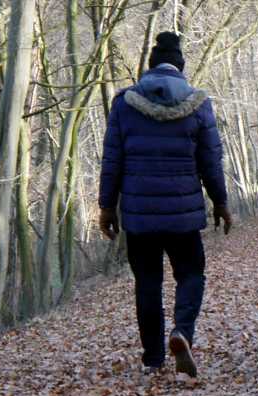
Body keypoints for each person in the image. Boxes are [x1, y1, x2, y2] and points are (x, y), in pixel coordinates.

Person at [98, 31, 232, 377]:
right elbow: (211, 161)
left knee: (147, 283)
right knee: (191, 275)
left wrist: (107, 207)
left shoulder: (124, 103)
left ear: (150, 66)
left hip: (140, 218)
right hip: (183, 217)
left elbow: (112, 160)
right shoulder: (199, 104)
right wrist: (220, 202)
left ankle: (153, 358)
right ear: (181, 67)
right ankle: (182, 331)